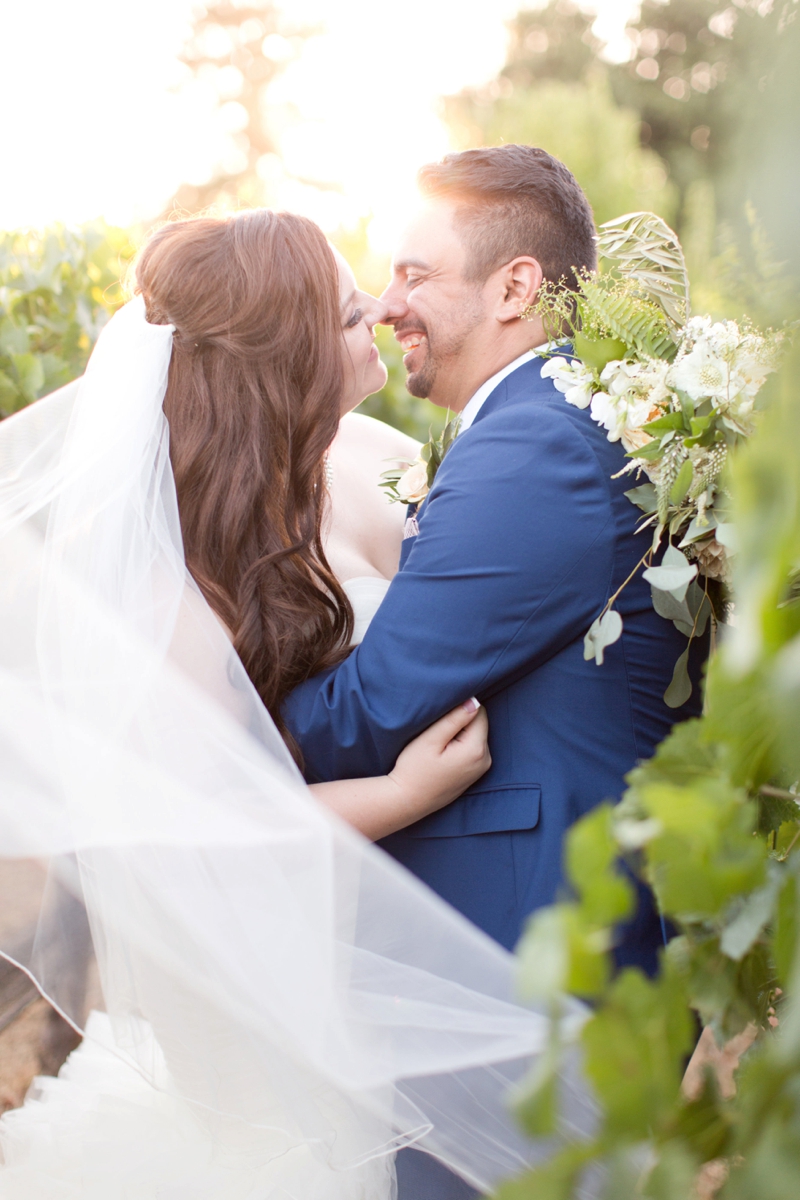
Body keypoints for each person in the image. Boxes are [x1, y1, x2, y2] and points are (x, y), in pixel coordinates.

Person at [0, 208, 595, 1199]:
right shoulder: (168, 595)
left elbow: (476, 594)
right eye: (345, 308)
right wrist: (399, 796)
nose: (379, 307)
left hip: (419, 911)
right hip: (280, 989)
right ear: (279, 355)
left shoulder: (370, 455)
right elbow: (185, 839)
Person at [283, 146, 706, 1197]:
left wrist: (204, 732)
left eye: (415, 274)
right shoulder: (550, 423)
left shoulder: (538, 443)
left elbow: (377, 703)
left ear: (515, 285)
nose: (388, 305)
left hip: (527, 967)